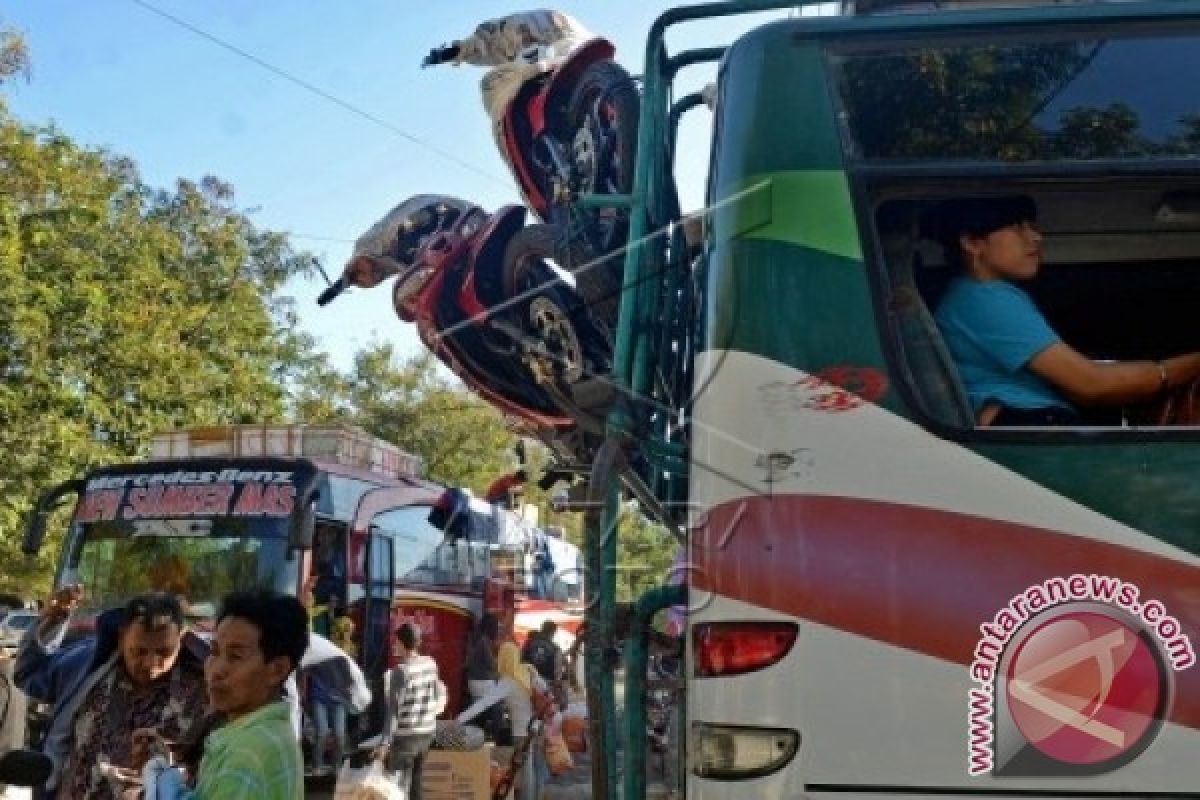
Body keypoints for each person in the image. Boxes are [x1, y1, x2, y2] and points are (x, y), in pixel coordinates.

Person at [933, 194, 1200, 426]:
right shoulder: (985, 298)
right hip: (1030, 424)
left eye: (1033, 226)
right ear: (972, 242)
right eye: (1017, 227)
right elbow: (1091, 384)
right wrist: (1177, 370)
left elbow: (1082, 389)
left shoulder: (971, 297)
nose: (1036, 237)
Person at [15, 588, 208, 799]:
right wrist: (51, 621)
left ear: (181, 639)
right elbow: (28, 673)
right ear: (121, 638)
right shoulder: (87, 665)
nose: (151, 665)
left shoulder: (203, 695)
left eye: (164, 652)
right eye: (139, 651)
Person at [149, 589, 310, 800]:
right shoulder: (272, 735)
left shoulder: (247, 756)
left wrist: (162, 781)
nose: (217, 670)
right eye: (214, 652)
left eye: (236, 656)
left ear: (277, 669)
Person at [375, 624, 446, 800]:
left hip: (406, 737)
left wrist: (384, 744)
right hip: (427, 734)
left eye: (396, 641)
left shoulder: (400, 671)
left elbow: (393, 711)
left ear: (402, 643)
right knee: (417, 782)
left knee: (396, 788)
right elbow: (437, 694)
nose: (394, 645)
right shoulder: (431, 663)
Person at [521, 620, 566, 710]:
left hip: (527, 685)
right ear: (553, 632)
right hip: (544, 690)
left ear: (542, 628)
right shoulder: (556, 649)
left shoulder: (528, 643)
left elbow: (521, 661)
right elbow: (557, 676)